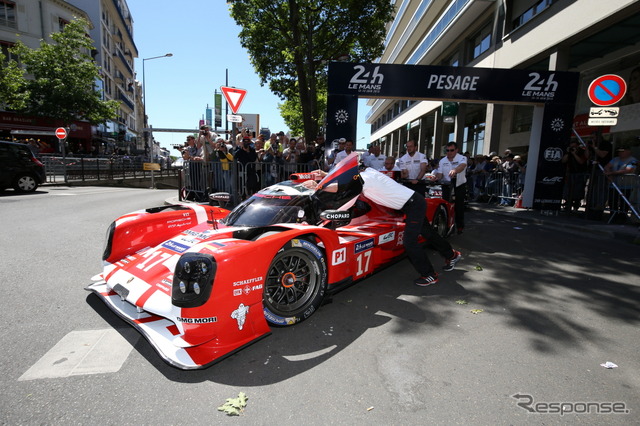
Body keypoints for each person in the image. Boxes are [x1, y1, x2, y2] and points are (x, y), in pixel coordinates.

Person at [304, 154, 462, 287]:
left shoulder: (366, 178)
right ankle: (452, 254)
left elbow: (342, 186)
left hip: (413, 205)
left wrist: (318, 186)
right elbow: (346, 187)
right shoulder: (367, 174)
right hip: (411, 204)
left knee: (410, 242)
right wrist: (324, 177)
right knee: (428, 233)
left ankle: (429, 274)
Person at [435, 142, 467, 233]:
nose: (449, 152)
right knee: (446, 206)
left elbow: (462, 166)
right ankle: (447, 225)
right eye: (447, 150)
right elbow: (440, 175)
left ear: (456, 150)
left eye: (451, 150)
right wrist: (435, 177)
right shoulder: (442, 161)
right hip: (447, 186)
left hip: (459, 185)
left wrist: (455, 170)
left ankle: (460, 226)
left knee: (459, 207)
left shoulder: (462, 158)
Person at [604, 145, 638, 222]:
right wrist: (607, 173)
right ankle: (613, 216)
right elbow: (607, 166)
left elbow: (629, 170)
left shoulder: (633, 160)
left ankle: (622, 217)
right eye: (619, 151)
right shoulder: (615, 159)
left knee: (624, 203)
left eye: (622, 151)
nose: (620, 153)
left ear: (628, 152)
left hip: (627, 186)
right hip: (614, 185)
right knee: (612, 201)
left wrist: (612, 173)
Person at [561, 139, 589, 212]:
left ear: (577, 145)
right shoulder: (569, 152)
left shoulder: (581, 152)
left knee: (578, 190)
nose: (572, 147)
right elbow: (563, 160)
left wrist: (574, 154)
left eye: (574, 146)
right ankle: (568, 204)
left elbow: (581, 162)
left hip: (580, 173)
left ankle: (576, 204)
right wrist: (568, 152)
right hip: (571, 172)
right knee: (568, 189)